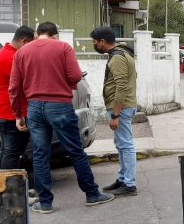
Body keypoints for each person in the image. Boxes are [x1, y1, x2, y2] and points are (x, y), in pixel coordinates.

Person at [9, 22, 114, 213]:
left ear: (37, 34)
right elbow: (75, 76)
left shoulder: (21, 53)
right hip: (59, 106)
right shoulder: (63, 47)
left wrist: (18, 115)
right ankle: (92, 194)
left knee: (40, 155)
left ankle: (45, 202)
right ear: (55, 35)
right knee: (75, 151)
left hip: (34, 108)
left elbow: (14, 88)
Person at [91, 26, 138, 197]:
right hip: (123, 106)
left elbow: (121, 86)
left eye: (95, 42)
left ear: (103, 42)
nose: (94, 45)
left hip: (122, 108)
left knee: (125, 145)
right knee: (122, 144)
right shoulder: (121, 53)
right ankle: (123, 179)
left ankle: (129, 184)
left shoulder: (117, 57)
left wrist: (115, 114)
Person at [0, 26, 34, 189]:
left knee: (8, 151)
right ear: (25, 41)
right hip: (11, 114)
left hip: (5, 111)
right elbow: (22, 85)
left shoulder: (7, 53)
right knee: (12, 153)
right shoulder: (11, 58)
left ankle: (7, 187)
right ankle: (12, 190)